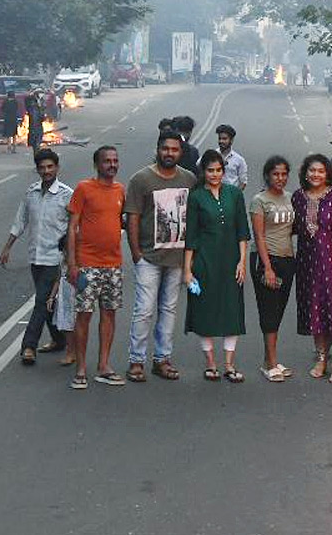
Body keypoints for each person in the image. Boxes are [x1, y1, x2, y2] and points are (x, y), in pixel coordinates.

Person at [124, 131, 198, 382]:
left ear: (181, 152)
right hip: (149, 258)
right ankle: (136, 361)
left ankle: (162, 359)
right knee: (144, 310)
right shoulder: (141, 179)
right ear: (158, 149)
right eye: (165, 148)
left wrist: (192, 256)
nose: (169, 153)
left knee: (169, 310)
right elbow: (132, 216)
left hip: (177, 260)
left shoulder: (189, 179)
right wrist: (136, 253)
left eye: (174, 150)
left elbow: (195, 218)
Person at [0, 147, 74, 365]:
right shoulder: (31, 193)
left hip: (55, 259)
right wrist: (7, 248)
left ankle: (28, 346)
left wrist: (71, 256)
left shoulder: (67, 195)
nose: (46, 171)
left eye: (50, 167)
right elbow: (20, 221)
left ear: (57, 168)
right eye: (42, 168)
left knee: (41, 301)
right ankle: (59, 339)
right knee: (48, 303)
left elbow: (74, 227)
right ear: (37, 170)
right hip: (36, 257)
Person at [183, 149, 250, 382]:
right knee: (205, 311)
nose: (214, 174)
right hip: (204, 261)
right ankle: (211, 364)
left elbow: (243, 230)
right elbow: (190, 235)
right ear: (204, 172)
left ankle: (229, 365)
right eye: (210, 170)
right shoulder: (196, 197)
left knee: (232, 310)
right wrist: (187, 270)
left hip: (231, 260)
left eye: (218, 170)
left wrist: (242, 261)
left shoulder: (234, 194)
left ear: (224, 170)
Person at [292, 154, 332, 384]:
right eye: (312, 171)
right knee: (315, 313)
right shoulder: (298, 197)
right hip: (308, 265)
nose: (316, 175)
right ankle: (321, 358)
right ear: (305, 173)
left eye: (320, 171)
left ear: (328, 173)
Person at [66, 145, 127, 389]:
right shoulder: (83, 189)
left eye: (115, 161)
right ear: (97, 164)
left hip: (113, 264)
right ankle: (81, 368)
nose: (112, 165)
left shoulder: (120, 190)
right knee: (84, 317)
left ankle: (104, 366)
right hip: (87, 265)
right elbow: (72, 227)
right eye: (107, 161)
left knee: (109, 315)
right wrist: (72, 263)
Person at [250, 156, 297, 381]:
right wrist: (267, 267)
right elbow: (258, 236)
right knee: (268, 310)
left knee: (278, 310)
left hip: (288, 260)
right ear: (268, 175)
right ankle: (270, 363)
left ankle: (271, 360)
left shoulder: (290, 198)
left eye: (284, 174)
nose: (280, 178)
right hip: (267, 260)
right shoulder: (259, 200)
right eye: (276, 174)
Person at [216, 123, 248, 189]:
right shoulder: (211, 155)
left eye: (224, 139)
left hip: (230, 194)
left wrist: (235, 196)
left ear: (231, 140)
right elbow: (198, 166)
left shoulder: (239, 160)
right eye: (220, 138)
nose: (221, 141)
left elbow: (243, 182)